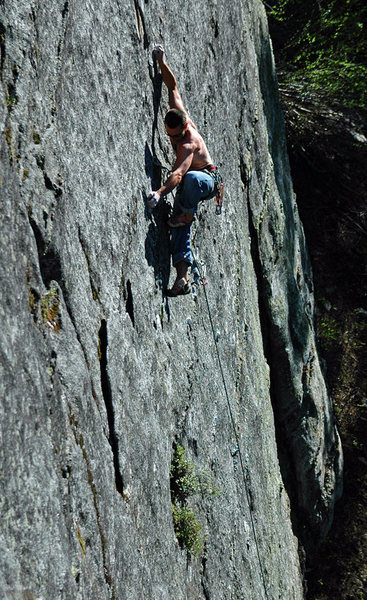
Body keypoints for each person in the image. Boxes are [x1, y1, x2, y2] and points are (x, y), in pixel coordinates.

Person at [147, 45, 222, 297]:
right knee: (178, 222)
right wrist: (161, 62)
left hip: (206, 181)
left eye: (175, 136)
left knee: (188, 181)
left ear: (182, 128)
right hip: (193, 184)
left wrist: (159, 193)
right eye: (169, 136)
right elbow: (172, 86)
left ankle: (187, 214)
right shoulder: (176, 111)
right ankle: (182, 277)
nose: (173, 139)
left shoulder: (188, 143)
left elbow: (178, 174)